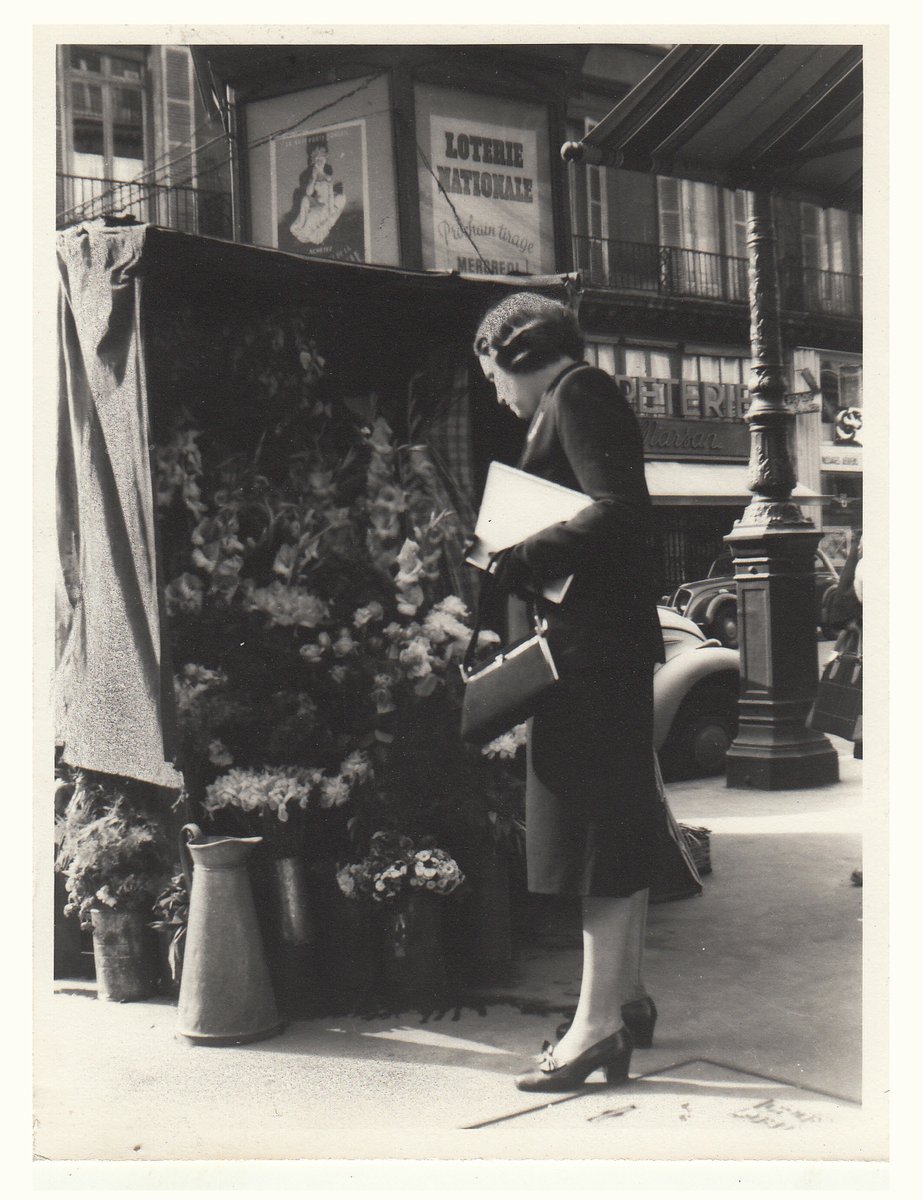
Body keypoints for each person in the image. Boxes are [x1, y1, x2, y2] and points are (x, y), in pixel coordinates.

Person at [472, 293, 699, 1092]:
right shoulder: (581, 396)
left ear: (521, 353)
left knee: (591, 835)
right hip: (605, 650)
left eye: (495, 372)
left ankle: (596, 1026)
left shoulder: (577, 395)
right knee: (616, 827)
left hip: (588, 657)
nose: (498, 392)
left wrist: (520, 556)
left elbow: (618, 511)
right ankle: (623, 1000)